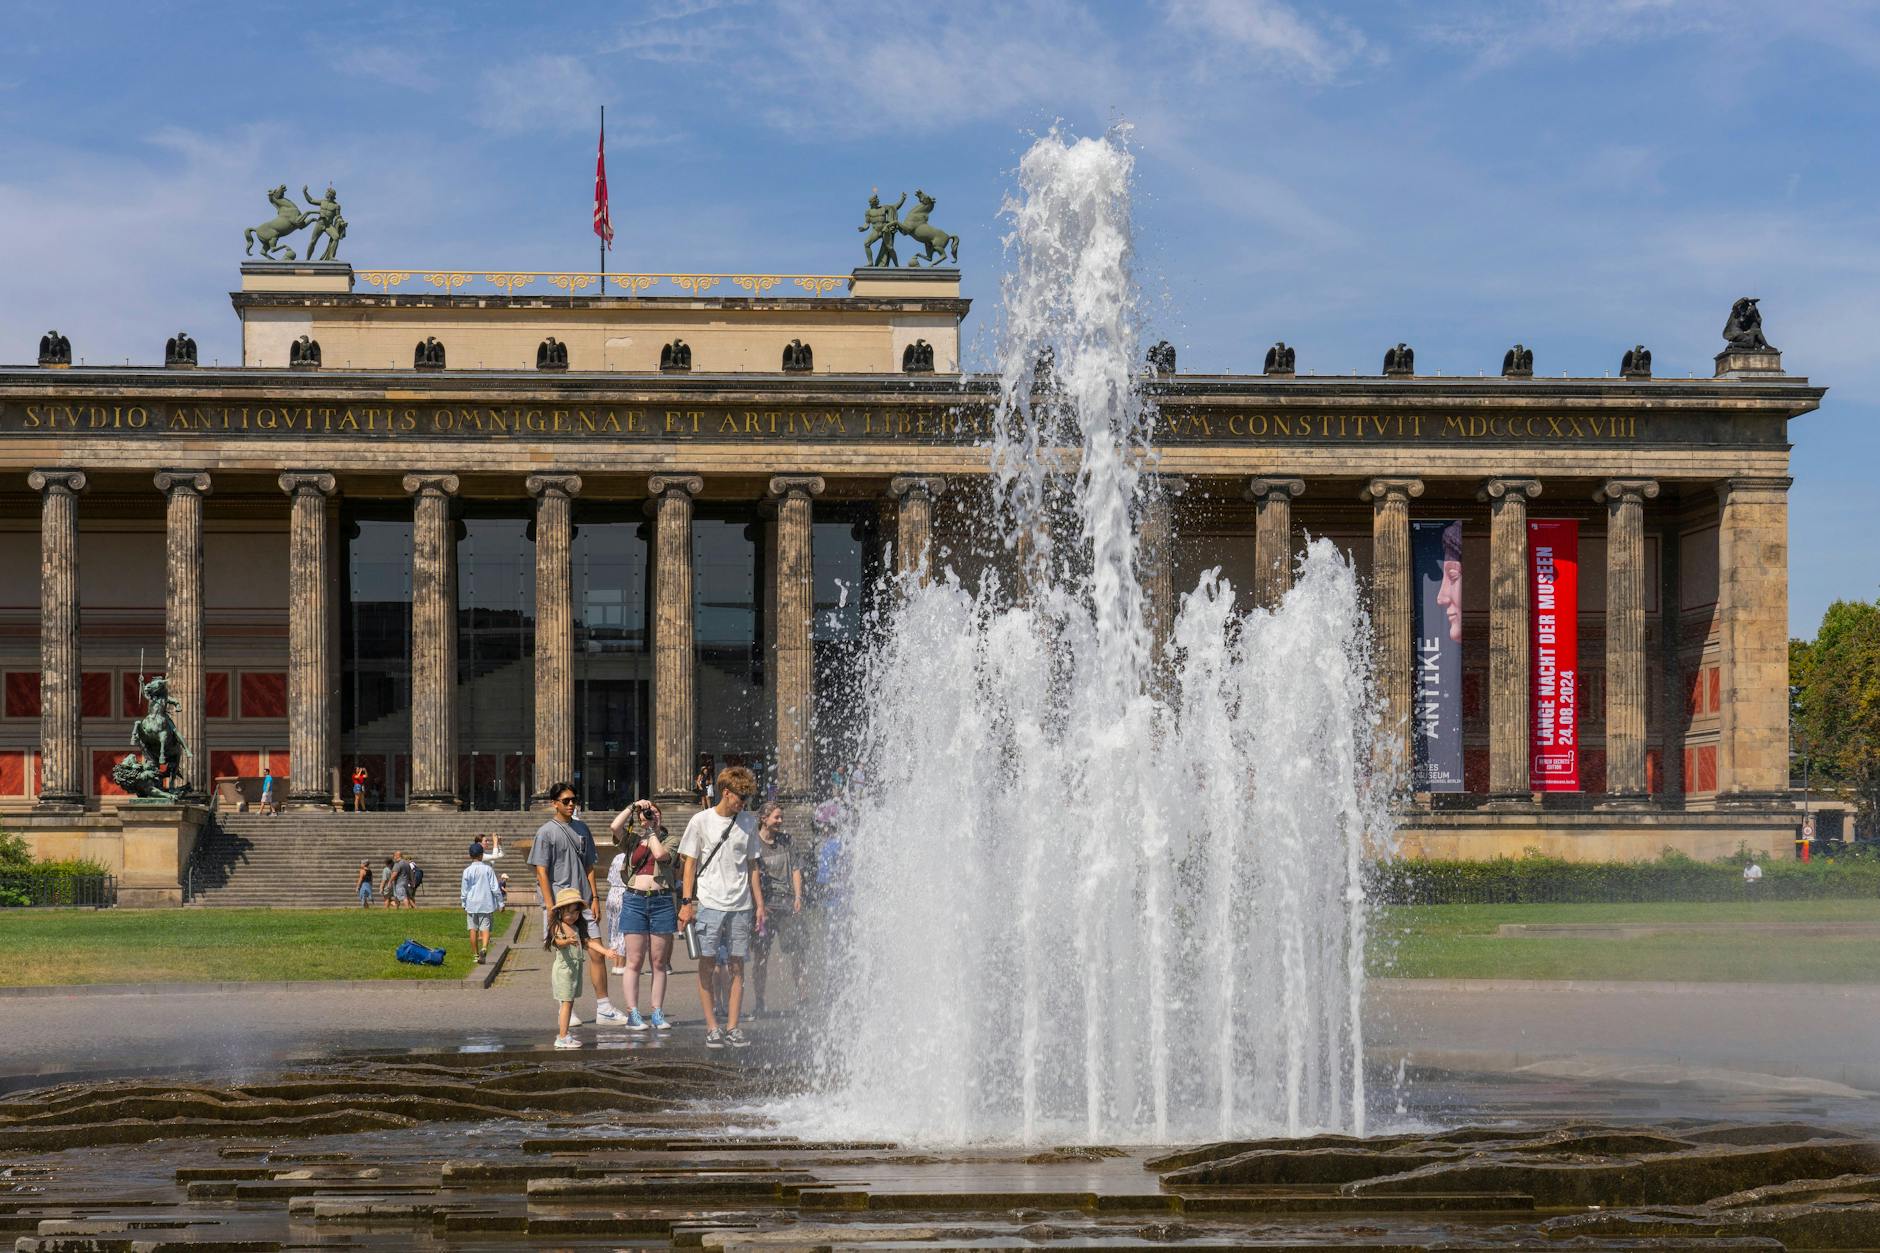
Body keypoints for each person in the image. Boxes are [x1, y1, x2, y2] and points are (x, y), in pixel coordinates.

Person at [677, 765, 766, 1048]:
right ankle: (712, 1027)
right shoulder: (701, 821)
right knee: (707, 963)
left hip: (741, 904)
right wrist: (687, 903)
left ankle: (733, 1026)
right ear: (725, 793)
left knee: (738, 964)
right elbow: (689, 864)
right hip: (710, 902)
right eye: (740, 797)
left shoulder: (749, 822)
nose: (744, 803)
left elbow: (752, 866)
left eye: (747, 799)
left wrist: (759, 904)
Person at [529, 781, 629, 1027]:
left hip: (583, 901)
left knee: (596, 951)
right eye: (566, 801)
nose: (571, 804)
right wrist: (551, 908)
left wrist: (595, 898)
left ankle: (604, 1007)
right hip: (561, 904)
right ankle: (567, 1008)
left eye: (574, 800)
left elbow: (589, 867)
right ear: (554, 804)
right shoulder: (546, 832)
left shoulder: (583, 828)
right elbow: (541, 871)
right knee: (567, 956)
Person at [608, 799, 679, 1031]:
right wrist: (632, 806)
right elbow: (614, 828)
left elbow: (660, 856)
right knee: (634, 960)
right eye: (647, 813)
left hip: (661, 901)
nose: (651, 816)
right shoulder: (633, 840)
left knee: (659, 962)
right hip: (635, 900)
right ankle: (633, 1013)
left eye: (655, 813)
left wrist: (652, 831)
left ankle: (657, 1012)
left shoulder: (671, 840)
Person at [751, 803, 804, 1018]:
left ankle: (803, 999)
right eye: (776, 817)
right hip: (764, 908)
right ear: (764, 818)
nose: (780, 821)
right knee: (760, 956)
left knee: (799, 952)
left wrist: (798, 897)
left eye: (781, 817)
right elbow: (751, 873)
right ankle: (759, 1002)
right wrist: (759, 905)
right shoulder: (753, 843)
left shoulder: (787, 841)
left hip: (787, 904)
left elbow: (796, 869)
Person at [544, 887, 615, 1049]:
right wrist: (567, 941)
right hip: (563, 971)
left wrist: (606, 951)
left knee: (569, 1003)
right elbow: (558, 943)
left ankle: (564, 1034)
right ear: (560, 912)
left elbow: (589, 942)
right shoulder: (559, 927)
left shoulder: (576, 928)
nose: (572, 916)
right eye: (568, 913)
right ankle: (562, 1036)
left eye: (575, 913)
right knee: (566, 1004)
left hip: (573, 971)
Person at [461, 842, 502, 963]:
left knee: (472, 929)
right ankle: (484, 948)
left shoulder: (467, 871)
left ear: (470, 856)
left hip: (471, 903)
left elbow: (464, 889)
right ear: (481, 855)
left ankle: (475, 955)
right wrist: (501, 903)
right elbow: (495, 888)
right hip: (486, 903)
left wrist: (464, 903)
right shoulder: (488, 869)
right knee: (485, 928)